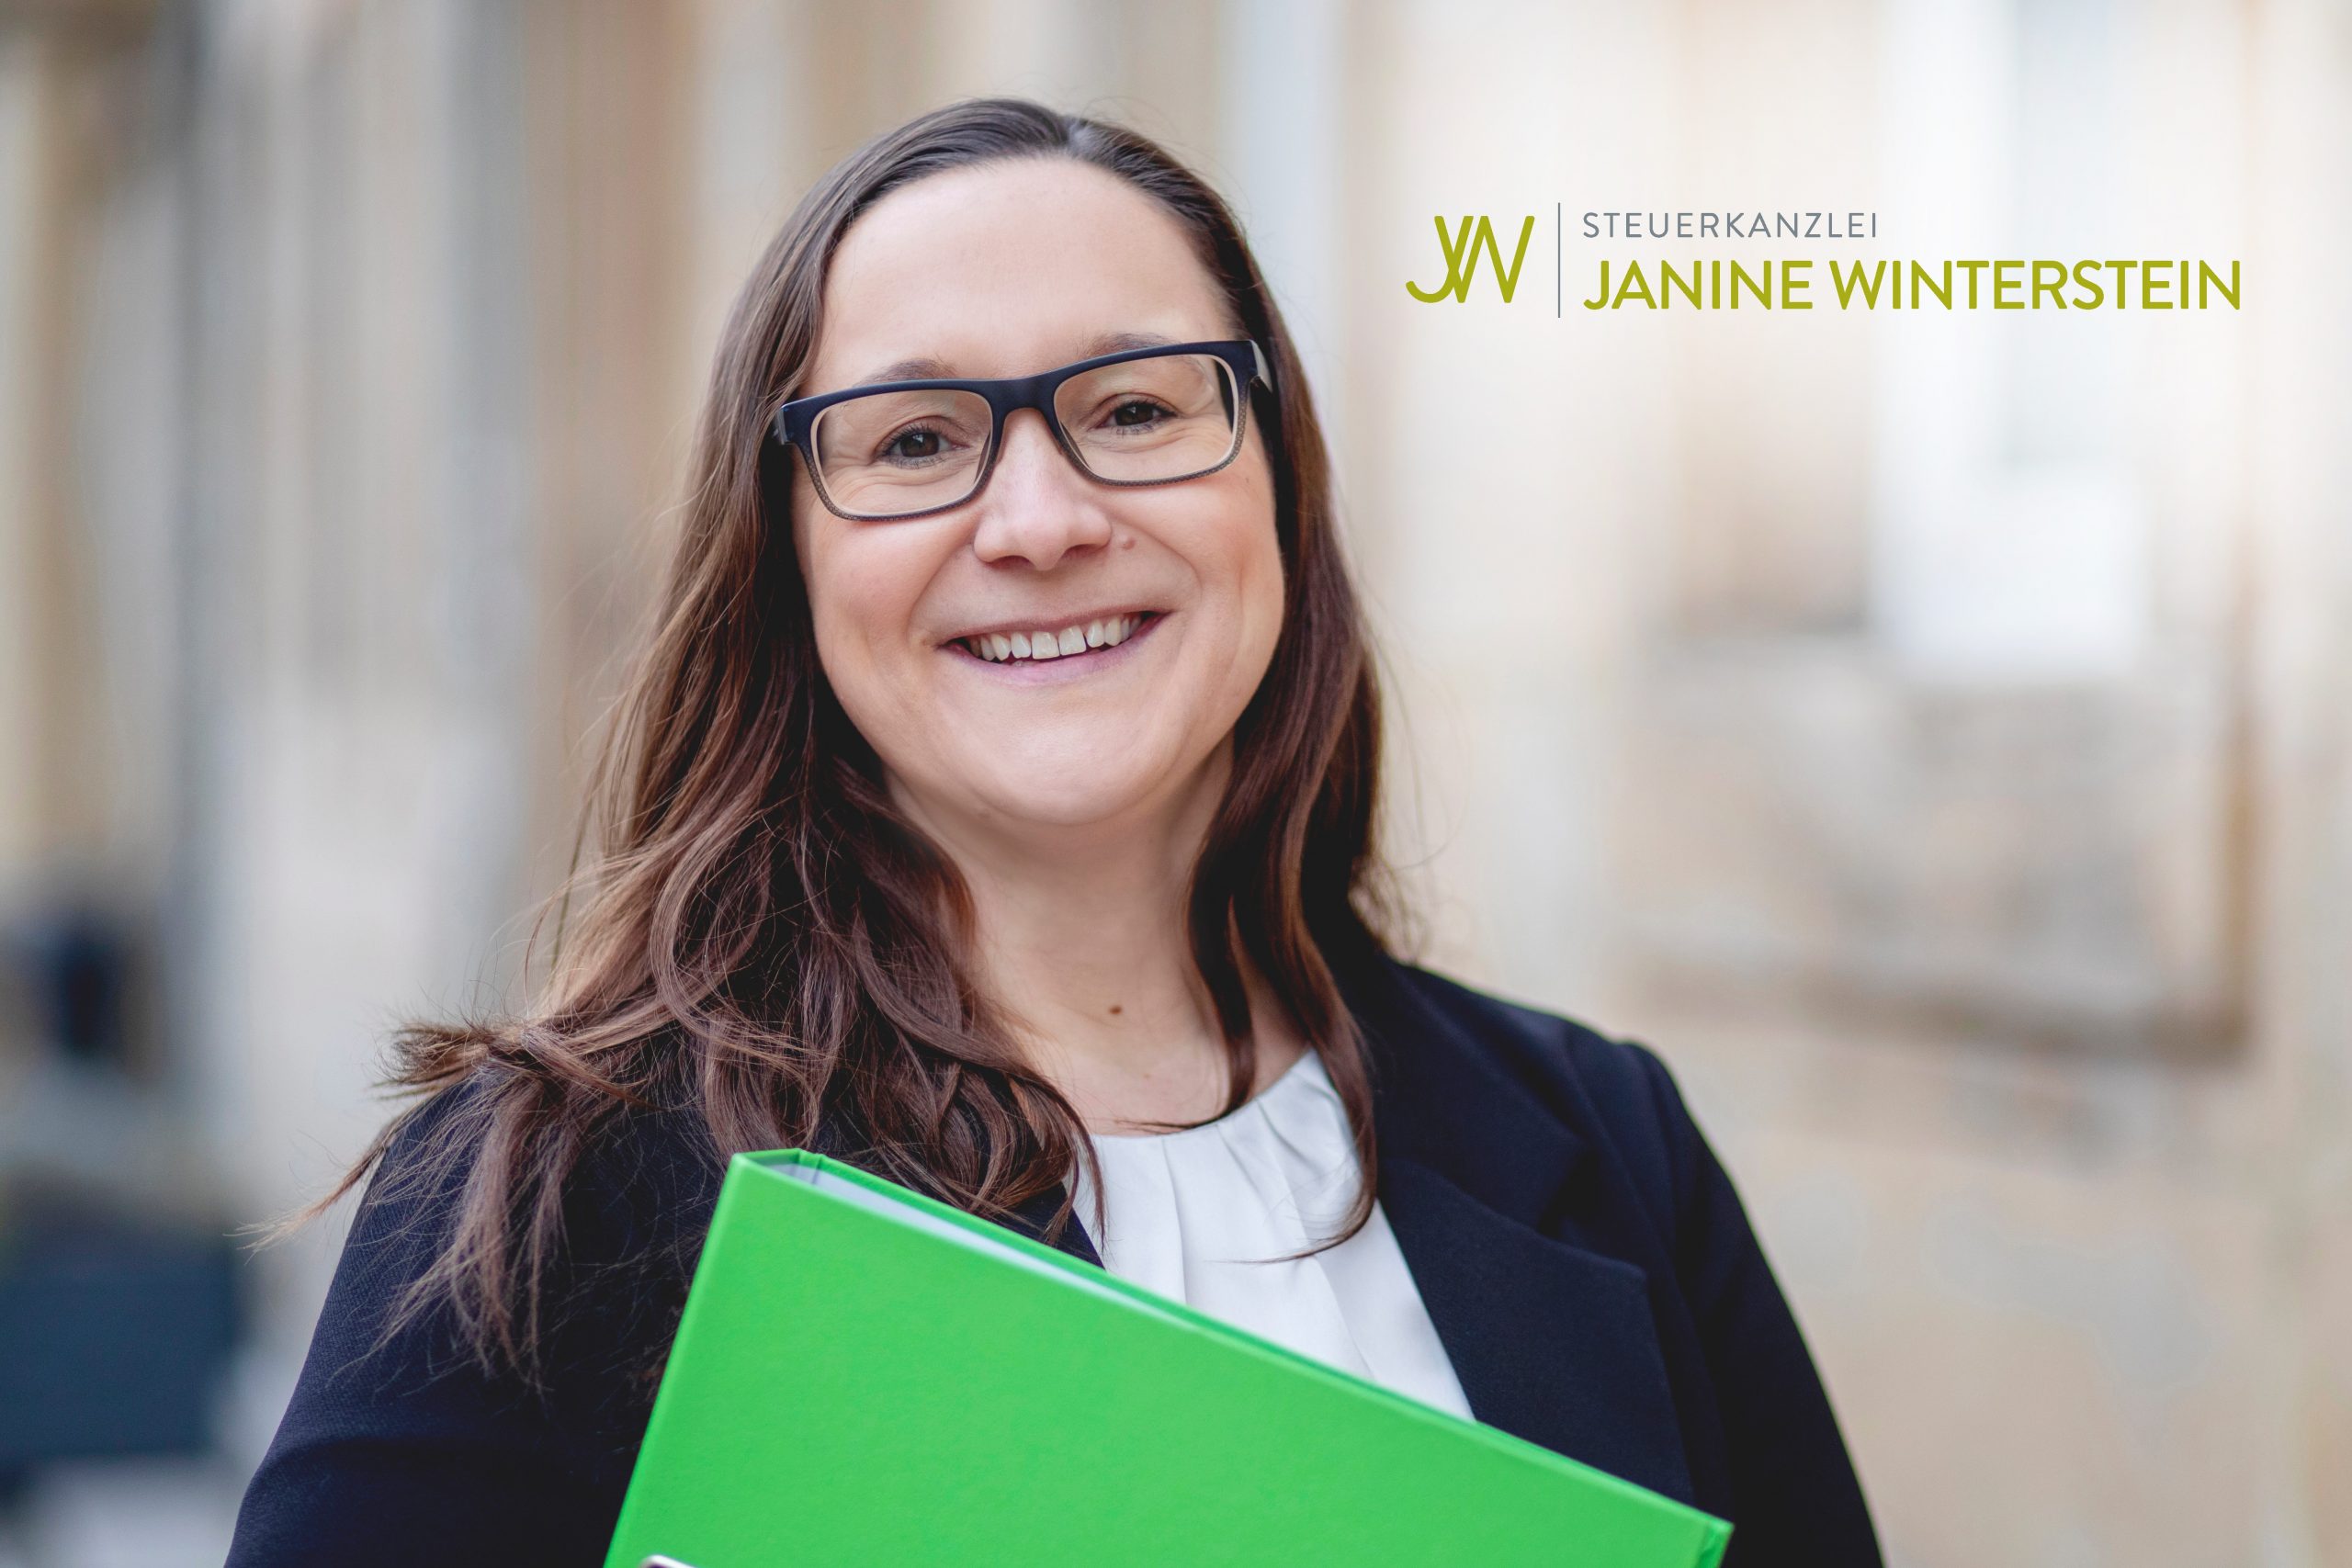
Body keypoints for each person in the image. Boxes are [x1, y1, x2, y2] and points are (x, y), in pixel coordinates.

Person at [225, 97, 1883, 1567]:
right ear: (786, 563)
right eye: (916, 441)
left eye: (1138, 409)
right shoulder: (551, 1194)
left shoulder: (1609, 1142)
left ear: (1278, 484)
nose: (1040, 520)